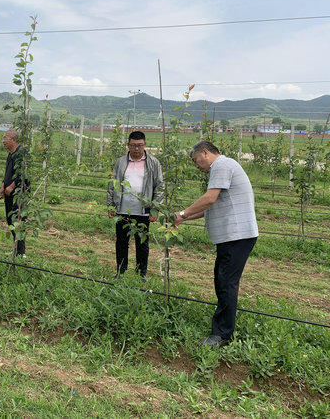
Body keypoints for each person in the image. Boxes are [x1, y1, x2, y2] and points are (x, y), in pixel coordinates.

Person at [174, 141, 258, 347]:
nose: (197, 166)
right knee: (222, 280)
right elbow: (211, 207)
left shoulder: (221, 165)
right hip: (233, 236)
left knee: (226, 282)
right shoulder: (224, 167)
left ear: (205, 152)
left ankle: (222, 335)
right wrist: (183, 218)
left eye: (196, 161)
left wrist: (183, 212)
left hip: (236, 235)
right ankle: (222, 328)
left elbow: (209, 199)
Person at [107, 131, 164, 281]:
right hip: (122, 210)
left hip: (143, 211)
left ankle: (141, 274)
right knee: (121, 242)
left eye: (139, 145)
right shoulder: (121, 162)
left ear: (145, 145)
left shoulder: (153, 163)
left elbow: (160, 186)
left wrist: (154, 210)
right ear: (128, 145)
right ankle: (121, 271)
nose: (136, 149)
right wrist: (111, 206)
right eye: (133, 145)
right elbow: (112, 184)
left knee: (142, 244)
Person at [0, 129, 29, 257]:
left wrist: (12, 185)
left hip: (18, 194)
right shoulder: (11, 154)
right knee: (10, 220)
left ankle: (21, 253)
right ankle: (16, 249)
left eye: (5, 138)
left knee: (19, 221)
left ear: (13, 139)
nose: (3, 141)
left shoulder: (21, 153)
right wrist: (3, 185)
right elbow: (8, 172)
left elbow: (23, 173)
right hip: (9, 193)